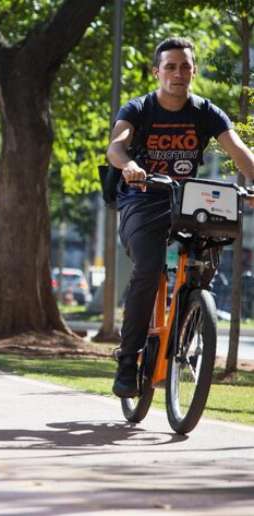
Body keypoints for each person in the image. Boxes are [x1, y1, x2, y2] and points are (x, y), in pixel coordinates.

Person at [107, 37, 254, 398]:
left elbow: (238, 149)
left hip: (186, 203)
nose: (178, 73)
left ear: (194, 71)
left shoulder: (206, 111)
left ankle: (188, 321)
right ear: (157, 72)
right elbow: (116, 145)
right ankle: (128, 360)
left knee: (205, 266)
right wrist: (129, 165)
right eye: (170, 66)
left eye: (185, 66)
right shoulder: (139, 109)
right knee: (149, 268)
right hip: (141, 200)